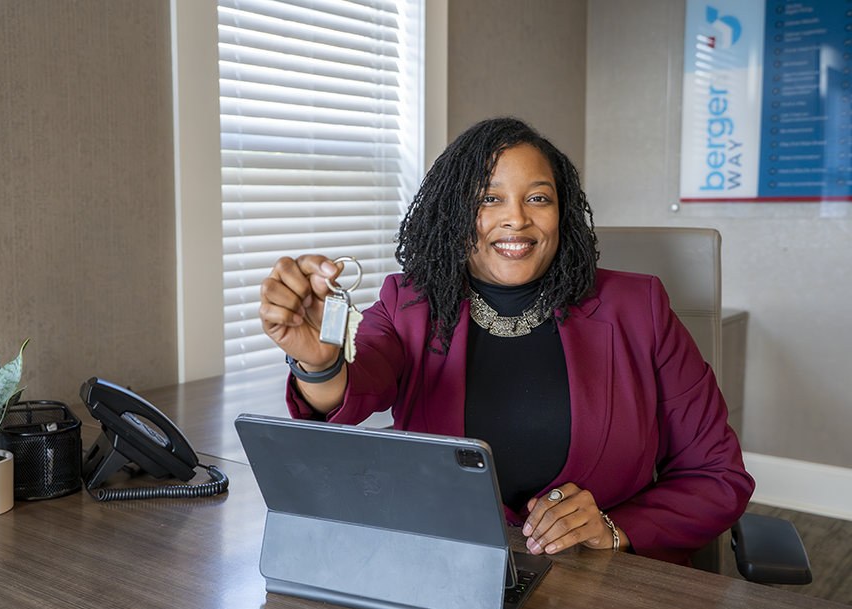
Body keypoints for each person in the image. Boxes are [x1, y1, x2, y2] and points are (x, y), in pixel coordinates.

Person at [258, 117, 753, 566]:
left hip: (608, 592)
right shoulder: (407, 304)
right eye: (489, 198)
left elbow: (718, 476)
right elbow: (356, 386)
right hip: (455, 573)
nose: (516, 218)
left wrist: (614, 529)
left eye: (538, 197)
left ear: (562, 213)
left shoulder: (637, 307)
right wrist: (319, 362)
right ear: (454, 212)